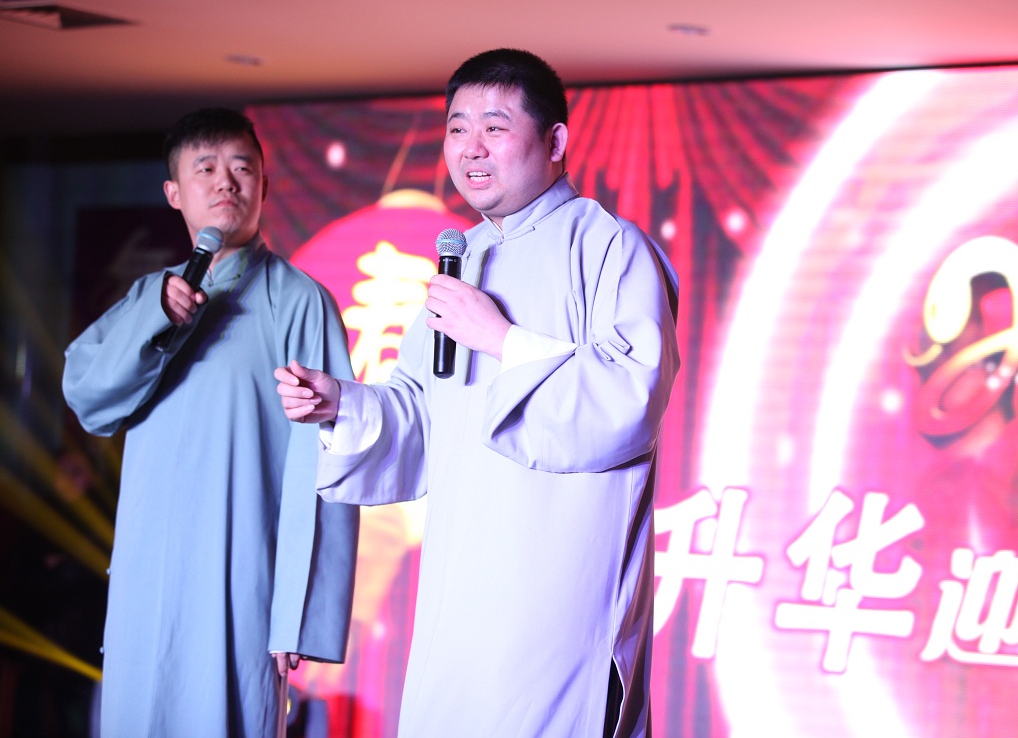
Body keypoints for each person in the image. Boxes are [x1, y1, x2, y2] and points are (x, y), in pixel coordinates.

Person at [275, 49, 680, 738]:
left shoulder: (609, 247)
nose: (471, 148)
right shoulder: (461, 258)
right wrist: (341, 403)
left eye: (494, 127)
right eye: (457, 128)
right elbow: (421, 414)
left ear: (554, 140)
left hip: (556, 592)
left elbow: (628, 402)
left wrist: (500, 338)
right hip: (458, 589)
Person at [62, 107, 359, 738]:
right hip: (147, 575)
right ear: (174, 192)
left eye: (241, 168)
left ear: (264, 186)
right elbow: (89, 397)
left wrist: (300, 614)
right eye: (205, 169)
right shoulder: (150, 296)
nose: (226, 181)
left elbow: (328, 458)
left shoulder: (300, 301)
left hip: (241, 576)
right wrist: (155, 317)